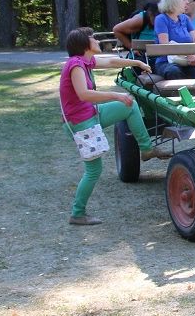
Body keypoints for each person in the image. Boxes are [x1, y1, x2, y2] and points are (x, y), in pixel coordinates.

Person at [60, 27, 170, 226]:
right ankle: (78, 213)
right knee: (94, 170)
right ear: (84, 44)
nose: (96, 40)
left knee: (129, 105)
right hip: (81, 122)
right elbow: (84, 94)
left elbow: (111, 61)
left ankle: (146, 149)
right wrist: (115, 95)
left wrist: (136, 62)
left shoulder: (86, 61)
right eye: (93, 38)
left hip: (91, 113)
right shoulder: (75, 65)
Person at [153, 0, 195, 80]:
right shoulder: (161, 19)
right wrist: (189, 53)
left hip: (188, 62)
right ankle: (178, 95)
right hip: (166, 62)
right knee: (174, 71)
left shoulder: (185, 18)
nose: (187, 2)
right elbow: (165, 45)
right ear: (173, 0)